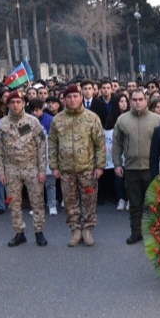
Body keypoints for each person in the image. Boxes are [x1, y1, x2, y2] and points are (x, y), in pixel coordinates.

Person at [48, 84, 106, 247]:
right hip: (66, 170)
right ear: (64, 100)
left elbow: (100, 144)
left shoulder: (92, 118)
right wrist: (54, 166)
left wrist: (100, 166)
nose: (72, 100)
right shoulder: (57, 120)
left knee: (89, 200)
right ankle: (76, 230)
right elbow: (52, 144)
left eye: (75, 96)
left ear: (81, 98)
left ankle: (87, 230)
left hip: (87, 169)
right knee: (70, 202)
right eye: (69, 97)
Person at [0, 91, 50, 248]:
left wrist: (42, 170)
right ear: (7, 104)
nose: (15, 105)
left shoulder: (33, 122)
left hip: (31, 166)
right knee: (13, 202)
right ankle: (19, 233)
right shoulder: (2, 124)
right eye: (12, 102)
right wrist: (1, 171)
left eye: (18, 102)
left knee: (37, 201)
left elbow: (41, 146)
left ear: (24, 103)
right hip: (11, 168)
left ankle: (39, 232)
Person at [112, 89, 160, 244]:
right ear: (130, 101)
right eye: (134, 100)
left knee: (153, 204)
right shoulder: (122, 120)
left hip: (151, 169)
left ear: (146, 100)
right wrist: (117, 164)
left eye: (140, 99)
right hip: (131, 169)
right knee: (134, 204)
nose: (137, 102)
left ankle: (153, 233)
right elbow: (117, 143)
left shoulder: (157, 119)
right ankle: (136, 232)